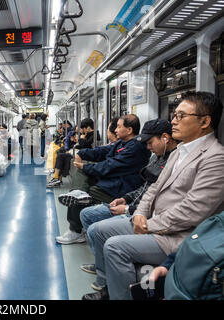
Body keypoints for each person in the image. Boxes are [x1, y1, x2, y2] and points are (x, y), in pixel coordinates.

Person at [82, 91, 224, 300]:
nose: (173, 121)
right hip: (151, 220)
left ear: (205, 121)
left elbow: (193, 210)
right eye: (174, 115)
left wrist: (149, 225)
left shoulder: (215, 158)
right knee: (98, 230)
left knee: (114, 247)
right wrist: (139, 213)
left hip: (177, 235)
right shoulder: (178, 152)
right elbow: (154, 188)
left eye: (181, 116)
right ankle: (107, 287)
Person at [78, 119, 178, 280]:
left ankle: (104, 277)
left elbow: (157, 198)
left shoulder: (173, 160)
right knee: (87, 213)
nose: (148, 147)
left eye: (150, 142)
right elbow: (146, 189)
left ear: (165, 138)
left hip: (148, 216)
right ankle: (102, 267)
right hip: (132, 202)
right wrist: (125, 199)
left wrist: (128, 209)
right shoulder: (156, 157)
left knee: (95, 224)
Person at [55, 114, 150, 245]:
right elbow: (101, 151)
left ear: (129, 130)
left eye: (118, 127)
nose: (115, 130)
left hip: (121, 187)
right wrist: (81, 153)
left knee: (84, 188)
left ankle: (76, 231)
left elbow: (111, 166)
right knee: (78, 189)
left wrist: (86, 167)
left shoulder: (136, 148)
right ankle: (78, 194)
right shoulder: (122, 143)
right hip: (113, 181)